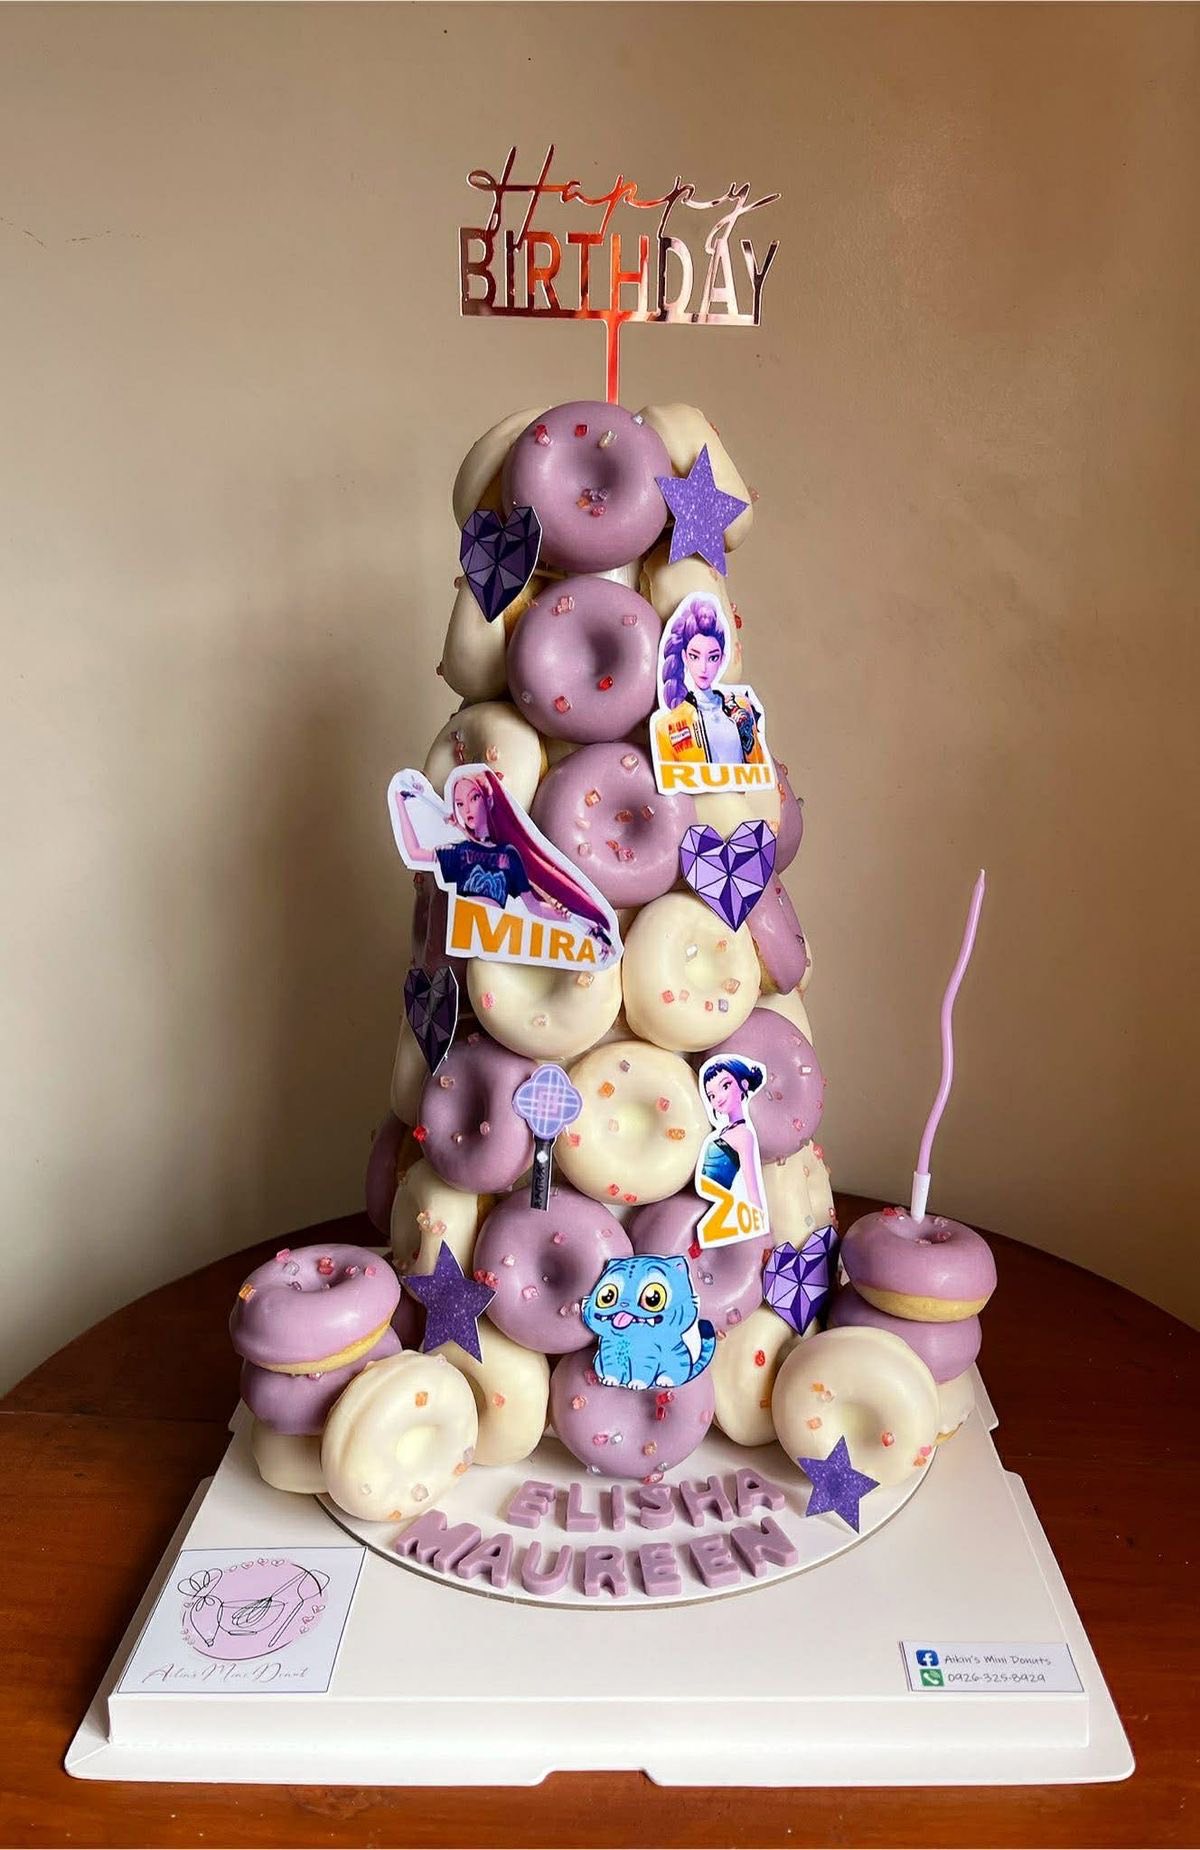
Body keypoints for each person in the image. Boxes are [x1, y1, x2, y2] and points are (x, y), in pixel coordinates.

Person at [391, 767, 616, 959]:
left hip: (501, 938)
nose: (466, 809)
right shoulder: (459, 852)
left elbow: (534, 907)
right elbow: (414, 853)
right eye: (459, 803)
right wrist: (400, 804)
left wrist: (584, 926)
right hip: (469, 939)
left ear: (488, 799)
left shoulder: (508, 855)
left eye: (474, 798)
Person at [653, 597, 767, 769]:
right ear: (684, 656)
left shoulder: (743, 706)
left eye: (712, 657)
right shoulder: (667, 725)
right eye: (694, 656)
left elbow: (759, 771)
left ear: (722, 658)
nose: (704, 668)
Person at [699, 1057, 767, 1210]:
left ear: (744, 1084)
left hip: (717, 1203)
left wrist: (759, 1217)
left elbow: (752, 1186)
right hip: (703, 1198)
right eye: (712, 1096)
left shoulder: (744, 1135)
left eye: (725, 1086)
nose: (718, 1098)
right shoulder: (724, 1130)